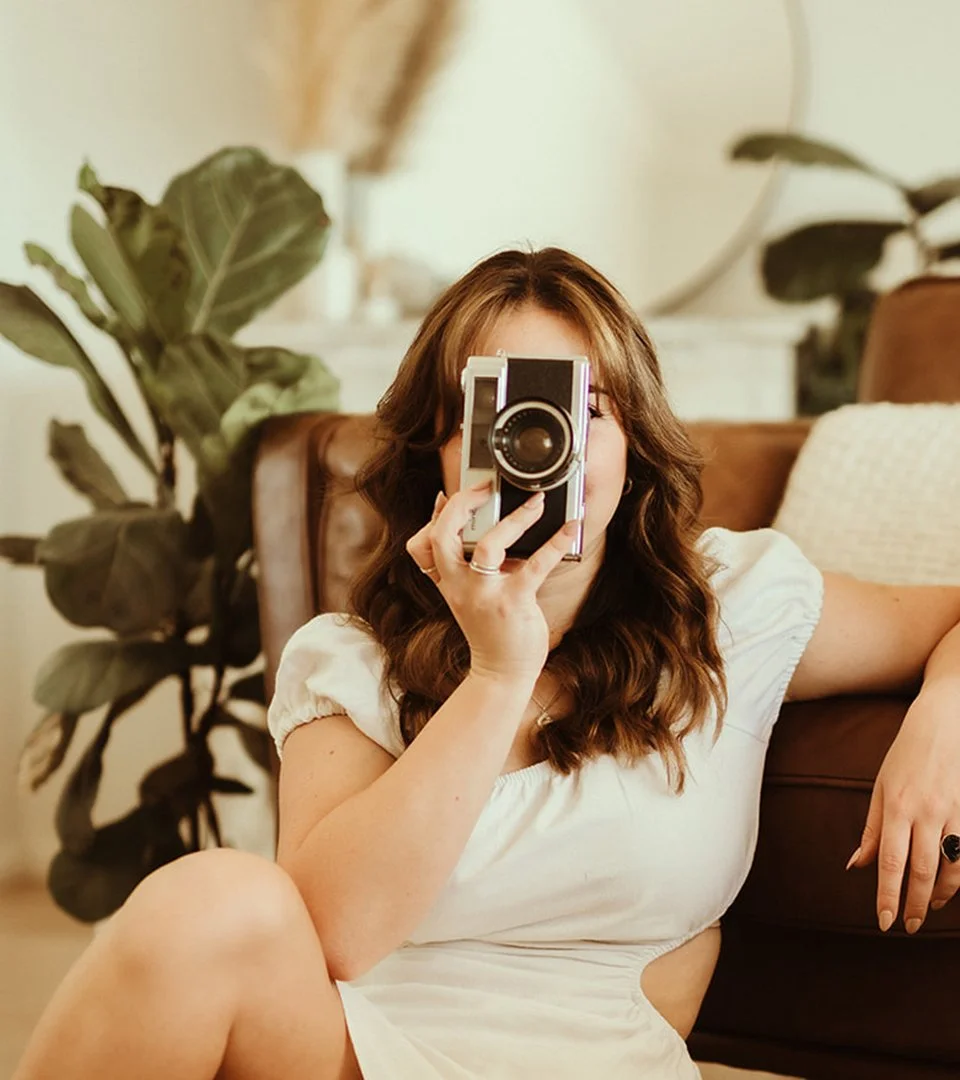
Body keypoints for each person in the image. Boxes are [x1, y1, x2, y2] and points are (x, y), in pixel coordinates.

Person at [14, 247, 960, 1080]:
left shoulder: (732, 606)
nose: (547, 447)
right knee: (209, 897)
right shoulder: (348, 659)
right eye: (506, 413)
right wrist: (497, 673)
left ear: (632, 445)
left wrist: (944, 716)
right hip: (358, 1056)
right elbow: (335, 935)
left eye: (582, 407)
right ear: (441, 446)